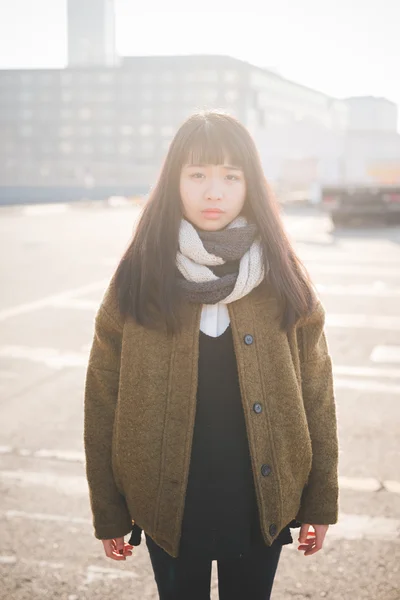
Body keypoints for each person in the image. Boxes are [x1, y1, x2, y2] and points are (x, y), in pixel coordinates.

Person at [84, 110, 339, 600]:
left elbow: (317, 393)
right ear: (174, 181)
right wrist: (109, 511)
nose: (213, 191)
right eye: (197, 174)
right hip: (166, 502)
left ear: (250, 185)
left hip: (261, 500)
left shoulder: (283, 277)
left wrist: (319, 502)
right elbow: (102, 398)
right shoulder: (138, 277)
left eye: (230, 175)